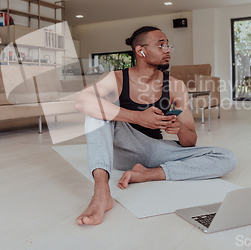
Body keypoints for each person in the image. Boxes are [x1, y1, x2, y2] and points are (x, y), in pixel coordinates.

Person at [74, 26, 237, 225]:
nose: (168, 50)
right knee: (95, 112)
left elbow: (190, 141)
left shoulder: (175, 86)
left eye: (168, 45)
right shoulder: (115, 78)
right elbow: (81, 102)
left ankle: (147, 174)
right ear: (141, 51)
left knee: (227, 158)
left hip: (155, 150)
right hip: (123, 148)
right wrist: (138, 117)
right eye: (161, 45)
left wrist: (179, 128)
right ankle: (101, 193)